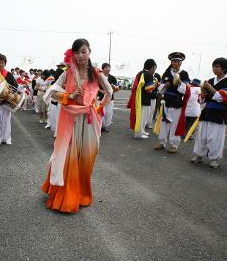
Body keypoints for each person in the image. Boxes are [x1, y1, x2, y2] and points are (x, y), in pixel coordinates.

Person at [41, 39, 113, 213]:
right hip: (70, 120)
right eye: (77, 52)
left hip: (88, 120)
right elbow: (52, 92)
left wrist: (98, 106)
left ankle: (81, 193)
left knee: (85, 157)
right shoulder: (68, 73)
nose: (80, 56)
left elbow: (109, 91)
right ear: (72, 54)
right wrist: (70, 95)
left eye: (83, 51)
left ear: (89, 52)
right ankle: (66, 194)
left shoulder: (96, 74)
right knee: (66, 156)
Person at [191, 58, 227, 168]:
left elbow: (223, 98)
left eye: (217, 66)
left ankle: (214, 159)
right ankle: (199, 155)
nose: (214, 69)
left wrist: (210, 88)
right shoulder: (210, 80)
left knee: (215, 137)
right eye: (213, 66)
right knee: (202, 135)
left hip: (219, 113)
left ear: (224, 68)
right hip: (206, 111)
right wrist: (202, 93)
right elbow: (203, 100)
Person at [154, 52, 191, 153]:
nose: (176, 63)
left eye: (178, 61)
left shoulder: (184, 74)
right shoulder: (166, 73)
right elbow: (159, 89)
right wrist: (165, 85)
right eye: (174, 61)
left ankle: (174, 145)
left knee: (175, 124)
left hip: (177, 102)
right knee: (164, 123)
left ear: (181, 63)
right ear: (171, 62)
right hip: (166, 102)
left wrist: (180, 83)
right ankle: (162, 142)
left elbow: (187, 90)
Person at [128, 59, 157, 138]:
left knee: (140, 116)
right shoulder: (149, 75)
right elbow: (149, 90)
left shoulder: (140, 73)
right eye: (155, 68)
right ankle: (139, 133)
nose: (154, 70)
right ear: (152, 67)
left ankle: (141, 131)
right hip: (145, 99)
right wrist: (155, 86)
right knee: (143, 117)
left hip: (138, 98)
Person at [100, 63, 119, 132]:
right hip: (101, 98)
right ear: (103, 68)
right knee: (102, 112)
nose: (108, 69)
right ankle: (101, 126)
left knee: (109, 113)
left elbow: (117, 88)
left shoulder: (112, 78)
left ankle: (106, 126)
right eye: (106, 67)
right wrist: (102, 91)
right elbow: (96, 87)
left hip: (110, 98)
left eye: (109, 67)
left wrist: (115, 89)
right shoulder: (100, 77)